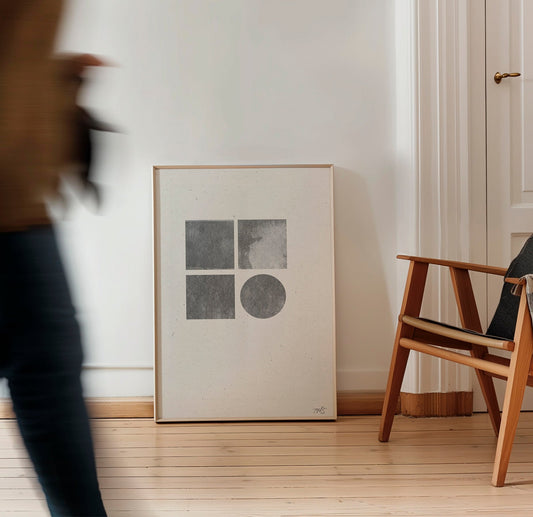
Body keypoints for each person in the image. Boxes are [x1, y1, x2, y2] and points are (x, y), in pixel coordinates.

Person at [0, 1, 107, 515]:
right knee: (48, 374)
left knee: (49, 371)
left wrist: (51, 80)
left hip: (18, 203)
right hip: (10, 207)